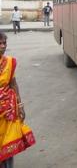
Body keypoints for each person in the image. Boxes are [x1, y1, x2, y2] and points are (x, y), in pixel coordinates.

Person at [0, 32, 35, 167]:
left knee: (9, 141)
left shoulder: (9, 62)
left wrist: (20, 105)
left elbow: (13, 84)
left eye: (5, 43)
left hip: (9, 109)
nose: (3, 46)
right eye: (0, 43)